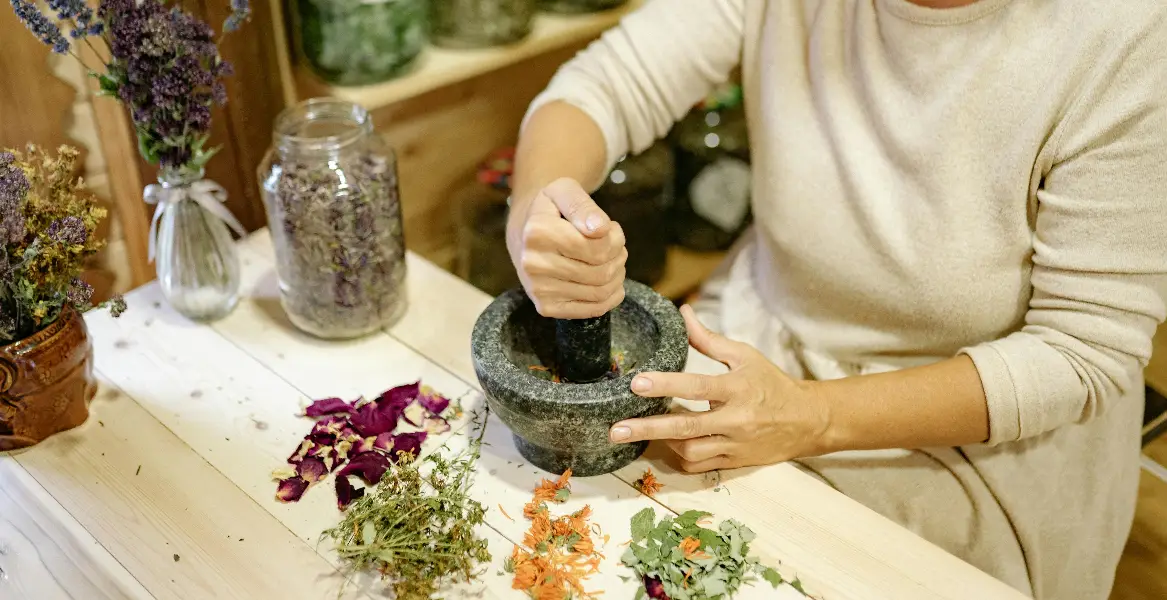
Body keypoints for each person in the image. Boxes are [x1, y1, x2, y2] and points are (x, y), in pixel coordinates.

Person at [504, 0, 1167, 598]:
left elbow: (1078, 353)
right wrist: (537, 209)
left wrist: (810, 417)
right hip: (759, 348)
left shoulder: (1127, 35)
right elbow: (604, 86)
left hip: (968, 434)